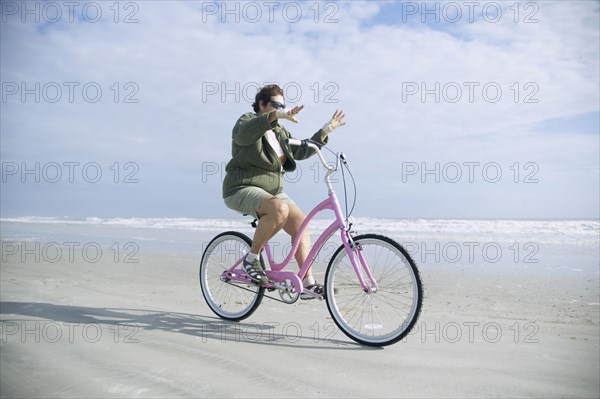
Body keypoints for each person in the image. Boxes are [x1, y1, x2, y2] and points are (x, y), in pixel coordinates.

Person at [222, 84, 345, 299]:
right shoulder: (247, 121)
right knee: (278, 209)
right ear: (262, 104)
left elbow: (299, 150)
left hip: (273, 192)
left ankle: (307, 282)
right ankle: (252, 258)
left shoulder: (279, 132)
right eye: (276, 106)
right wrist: (274, 116)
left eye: (283, 106)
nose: (282, 110)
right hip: (242, 186)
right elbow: (243, 137)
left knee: (301, 224)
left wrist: (325, 131)